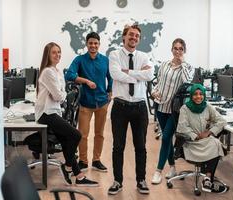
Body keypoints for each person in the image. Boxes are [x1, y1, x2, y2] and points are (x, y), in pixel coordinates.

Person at [35, 42, 98, 186]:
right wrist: (60, 93)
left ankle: (79, 177)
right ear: (48, 55)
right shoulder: (47, 72)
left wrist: (60, 93)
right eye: (54, 52)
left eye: (59, 52)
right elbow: (60, 96)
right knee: (76, 135)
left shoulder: (57, 71)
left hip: (55, 111)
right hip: (46, 113)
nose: (58, 55)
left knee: (65, 142)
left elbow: (60, 94)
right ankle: (67, 167)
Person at [107, 24, 154, 195]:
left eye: (137, 36)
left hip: (140, 107)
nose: (134, 38)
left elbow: (149, 75)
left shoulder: (144, 56)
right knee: (118, 147)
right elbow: (115, 74)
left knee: (140, 146)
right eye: (131, 35)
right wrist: (137, 75)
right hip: (120, 106)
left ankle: (141, 180)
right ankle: (117, 181)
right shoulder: (114, 54)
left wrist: (128, 72)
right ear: (124, 37)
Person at [65, 32, 112, 172]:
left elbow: (111, 77)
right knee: (83, 135)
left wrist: (110, 91)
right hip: (85, 103)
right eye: (90, 43)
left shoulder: (105, 60)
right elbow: (69, 74)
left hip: (102, 103)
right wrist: (85, 81)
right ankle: (83, 161)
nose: (93, 45)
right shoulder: (79, 60)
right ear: (86, 44)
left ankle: (96, 160)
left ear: (99, 44)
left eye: (96, 43)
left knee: (100, 133)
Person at [151, 38, 194, 184]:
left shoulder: (188, 67)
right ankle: (173, 168)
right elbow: (158, 83)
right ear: (171, 49)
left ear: (184, 51)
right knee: (167, 138)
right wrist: (153, 92)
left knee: (165, 137)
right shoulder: (164, 65)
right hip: (160, 106)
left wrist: (182, 63)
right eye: (175, 48)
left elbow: (187, 82)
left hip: (174, 109)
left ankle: (158, 171)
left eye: (180, 49)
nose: (177, 51)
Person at [176, 83, 229, 193]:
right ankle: (208, 179)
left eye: (201, 94)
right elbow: (182, 128)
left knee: (216, 143)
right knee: (216, 144)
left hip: (205, 141)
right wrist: (196, 136)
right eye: (195, 94)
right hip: (190, 143)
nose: (198, 96)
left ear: (204, 95)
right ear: (191, 96)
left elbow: (222, 121)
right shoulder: (184, 109)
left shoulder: (207, 106)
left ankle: (207, 179)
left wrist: (209, 132)